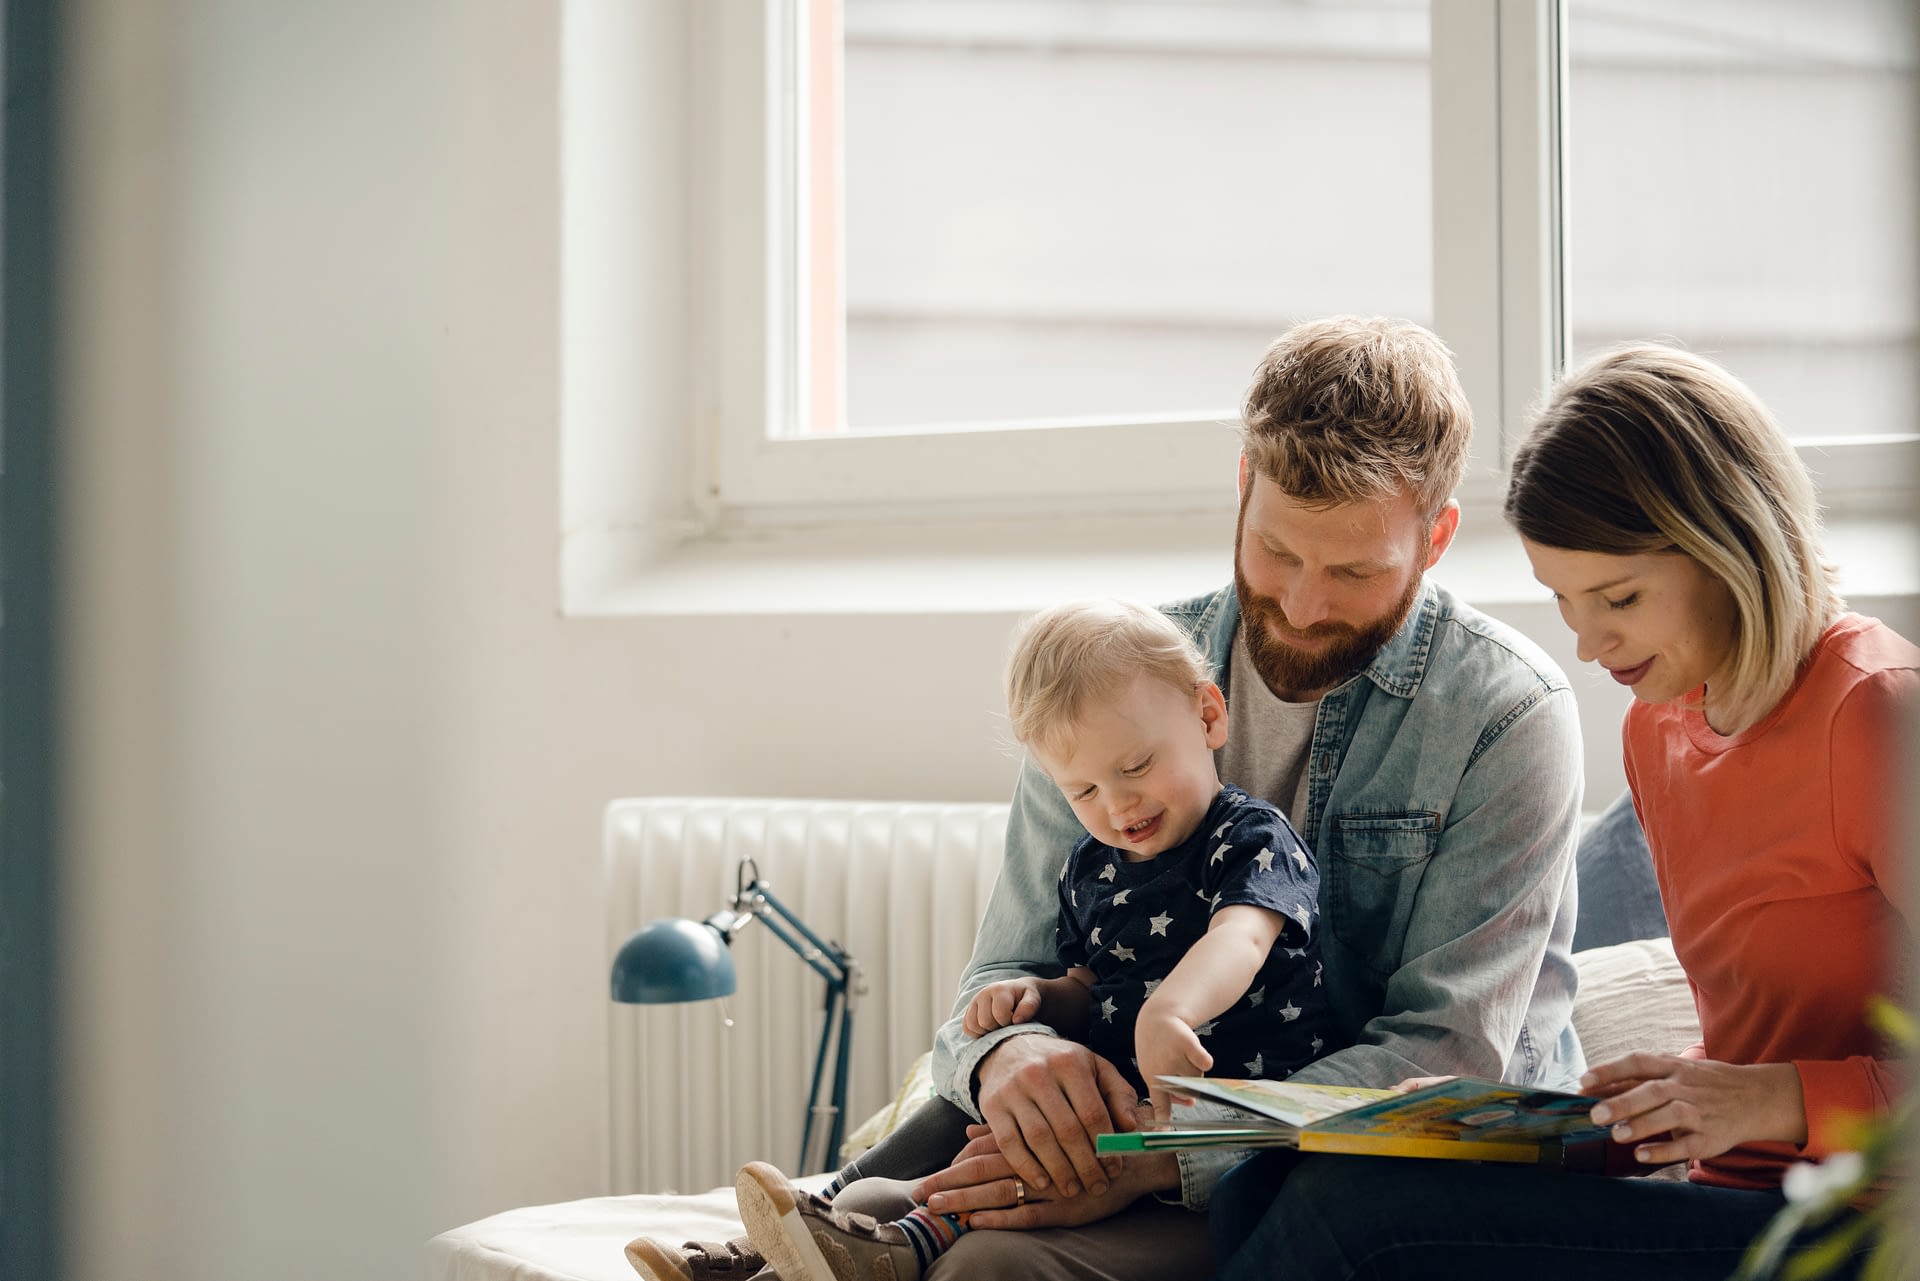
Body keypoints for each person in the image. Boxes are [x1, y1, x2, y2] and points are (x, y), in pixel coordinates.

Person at [628, 315, 1588, 1281]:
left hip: (1348, 1171)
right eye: (1278, 554)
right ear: (1243, 484)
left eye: (1353, 571)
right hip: (1137, 1110)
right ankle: (802, 1238)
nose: (1302, 606)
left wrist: (1152, 1153)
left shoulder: (1505, 717)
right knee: (894, 1193)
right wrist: (1014, 1060)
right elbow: (1001, 978)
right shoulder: (1113, 680)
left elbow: (1448, 1057)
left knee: (983, 1264)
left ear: (1437, 539)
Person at [1209, 344, 1916, 1280]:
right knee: (1264, 1177)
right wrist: (1563, 1118)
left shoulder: (1875, 712)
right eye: (1565, 602)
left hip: (1864, 1220)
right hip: (1730, 1189)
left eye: (1619, 597)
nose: (1589, 645)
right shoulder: (1661, 727)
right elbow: (1752, 1057)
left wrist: (1775, 1101)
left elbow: (1773, 1088)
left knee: (1359, 1211)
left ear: (1729, 545)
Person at [728, 598, 1335, 1281]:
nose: (1117, 805)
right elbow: (1087, 987)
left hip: (1221, 1134)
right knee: (971, 1096)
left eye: (1135, 765)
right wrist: (1034, 1001)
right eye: (1084, 790)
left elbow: (1243, 937)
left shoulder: (1251, 836)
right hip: (1114, 1098)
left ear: (1207, 715)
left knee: (1031, 1161)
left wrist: (1172, 1011)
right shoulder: (1090, 867)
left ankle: (889, 1246)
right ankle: (794, 1242)